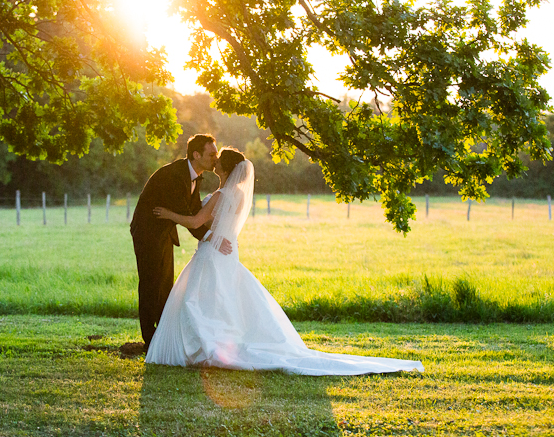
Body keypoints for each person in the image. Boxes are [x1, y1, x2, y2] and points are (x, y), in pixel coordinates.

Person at [146, 148, 424, 376]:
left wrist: (168, 214)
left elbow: (195, 221)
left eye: (218, 161)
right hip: (226, 254)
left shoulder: (220, 195)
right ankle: (216, 343)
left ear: (226, 169)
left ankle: (204, 346)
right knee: (220, 300)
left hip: (212, 255)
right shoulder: (239, 196)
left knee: (202, 300)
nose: (214, 163)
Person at [129, 134, 221, 351]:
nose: (215, 158)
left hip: (164, 233)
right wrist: (211, 239)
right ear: (196, 155)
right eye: (212, 154)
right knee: (151, 283)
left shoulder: (194, 176)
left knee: (165, 284)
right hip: (147, 233)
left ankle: (163, 334)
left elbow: (195, 212)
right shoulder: (174, 175)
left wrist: (215, 231)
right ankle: (150, 340)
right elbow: (188, 218)